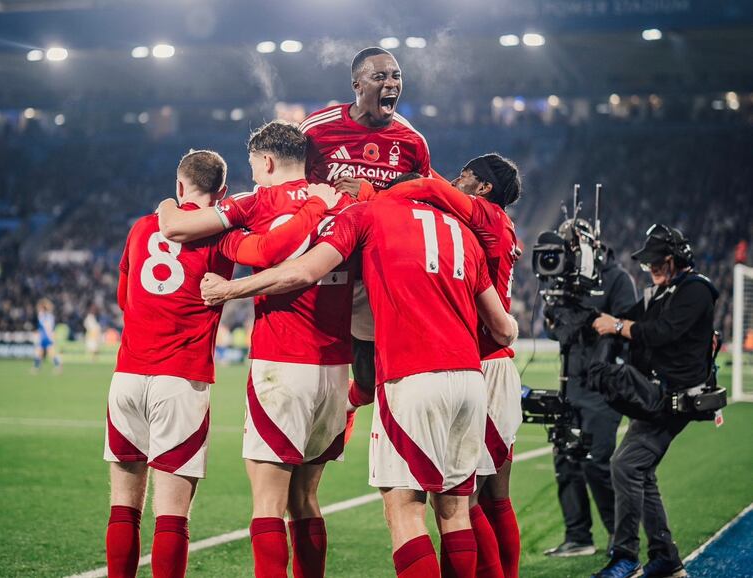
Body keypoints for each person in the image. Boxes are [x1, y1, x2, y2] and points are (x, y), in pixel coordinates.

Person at [201, 182, 520, 578]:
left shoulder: (367, 214)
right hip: (471, 381)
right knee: (456, 511)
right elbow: (503, 329)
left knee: (404, 509)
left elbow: (303, 270)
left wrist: (229, 289)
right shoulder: (462, 233)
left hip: (410, 376)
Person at [106, 149, 336, 578]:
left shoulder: (141, 229)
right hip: (181, 379)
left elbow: (124, 300)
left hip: (127, 377)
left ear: (179, 187)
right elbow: (270, 250)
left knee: (124, 505)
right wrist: (315, 205)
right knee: (172, 513)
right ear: (224, 192)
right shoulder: (222, 237)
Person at [158, 121, 353, 578]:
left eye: (254, 168)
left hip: (282, 362)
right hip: (334, 367)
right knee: (306, 499)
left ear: (265, 162)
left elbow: (178, 226)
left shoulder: (258, 200)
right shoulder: (341, 201)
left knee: (269, 503)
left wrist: (171, 202)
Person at [364, 155, 526, 578]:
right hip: (485, 363)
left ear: (484, 187)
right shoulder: (491, 226)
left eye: (464, 177)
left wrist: (376, 193)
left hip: (482, 360)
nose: (454, 182)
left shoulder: (485, 215)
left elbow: (433, 189)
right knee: (484, 501)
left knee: (469, 504)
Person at [300, 46, 433, 418]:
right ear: (357, 84)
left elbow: (421, 201)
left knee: (367, 378)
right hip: (321, 267)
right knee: (309, 383)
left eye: (396, 77)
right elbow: (286, 183)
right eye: (381, 77)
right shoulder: (316, 130)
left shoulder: (412, 142)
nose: (391, 83)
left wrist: (372, 193)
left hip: (374, 272)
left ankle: (349, 412)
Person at [590, 224, 717, 578]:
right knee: (639, 471)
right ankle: (665, 558)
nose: (652, 269)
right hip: (658, 396)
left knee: (626, 466)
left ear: (676, 259)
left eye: (658, 262)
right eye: (649, 264)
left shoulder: (697, 291)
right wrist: (594, 314)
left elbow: (660, 333)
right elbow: (632, 316)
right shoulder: (665, 291)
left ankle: (626, 558)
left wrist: (615, 327)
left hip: (677, 398)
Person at [543, 228, 637, 559]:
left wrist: (605, 323)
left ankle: (620, 536)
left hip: (604, 387)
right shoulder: (563, 280)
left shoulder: (617, 278)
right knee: (566, 460)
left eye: (571, 246)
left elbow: (630, 327)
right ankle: (578, 535)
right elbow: (556, 333)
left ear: (589, 244)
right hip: (570, 385)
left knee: (597, 462)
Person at [33, 298, 61, 374]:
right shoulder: (43, 315)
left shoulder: (48, 316)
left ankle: (58, 367)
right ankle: (37, 367)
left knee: (50, 352)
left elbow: (49, 328)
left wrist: (52, 337)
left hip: (47, 336)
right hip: (43, 336)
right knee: (39, 352)